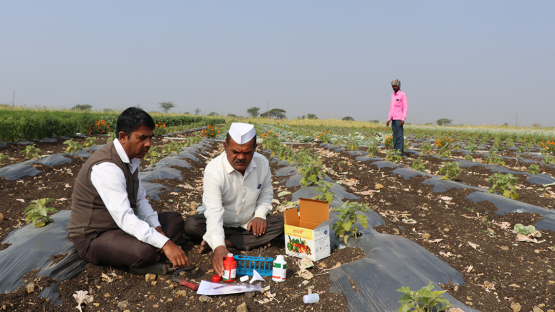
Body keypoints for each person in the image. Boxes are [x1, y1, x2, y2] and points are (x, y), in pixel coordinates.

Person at [67, 107, 189, 275]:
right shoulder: (107, 166)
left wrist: (158, 230)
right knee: (144, 251)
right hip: (96, 236)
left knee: (174, 220)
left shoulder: (131, 159)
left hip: (120, 229)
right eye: (142, 138)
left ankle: (149, 257)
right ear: (123, 137)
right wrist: (165, 243)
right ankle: (144, 259)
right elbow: (124, 218)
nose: (149, 144)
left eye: (150, 137)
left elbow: (140, 201)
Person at [184, 122, 284, 276]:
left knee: (280, 224)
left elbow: (266, 193)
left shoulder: (262, 163)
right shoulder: (214, 169)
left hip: (248, 223)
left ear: (255, 148)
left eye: (247, 153)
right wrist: (219, 250)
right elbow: (214, 211)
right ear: (225, 146)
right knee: (191, 225)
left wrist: (259, 216)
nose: (241, 157)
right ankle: (223, 240)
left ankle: (221, 241)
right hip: (220, 223)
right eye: (235, 152)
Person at [386, 79, 408, 156]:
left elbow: (405, 107)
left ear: (398, 86)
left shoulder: (402, 94)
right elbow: (391, 108)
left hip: (399, 119)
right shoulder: (392, 96)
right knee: (395, 136)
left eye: (395, 86)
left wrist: (403, 118)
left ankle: (400, 153)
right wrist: (389, 119)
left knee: (399, 136)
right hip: (393, 119)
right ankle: (395, 152)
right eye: (393, 86)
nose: (394, 87)